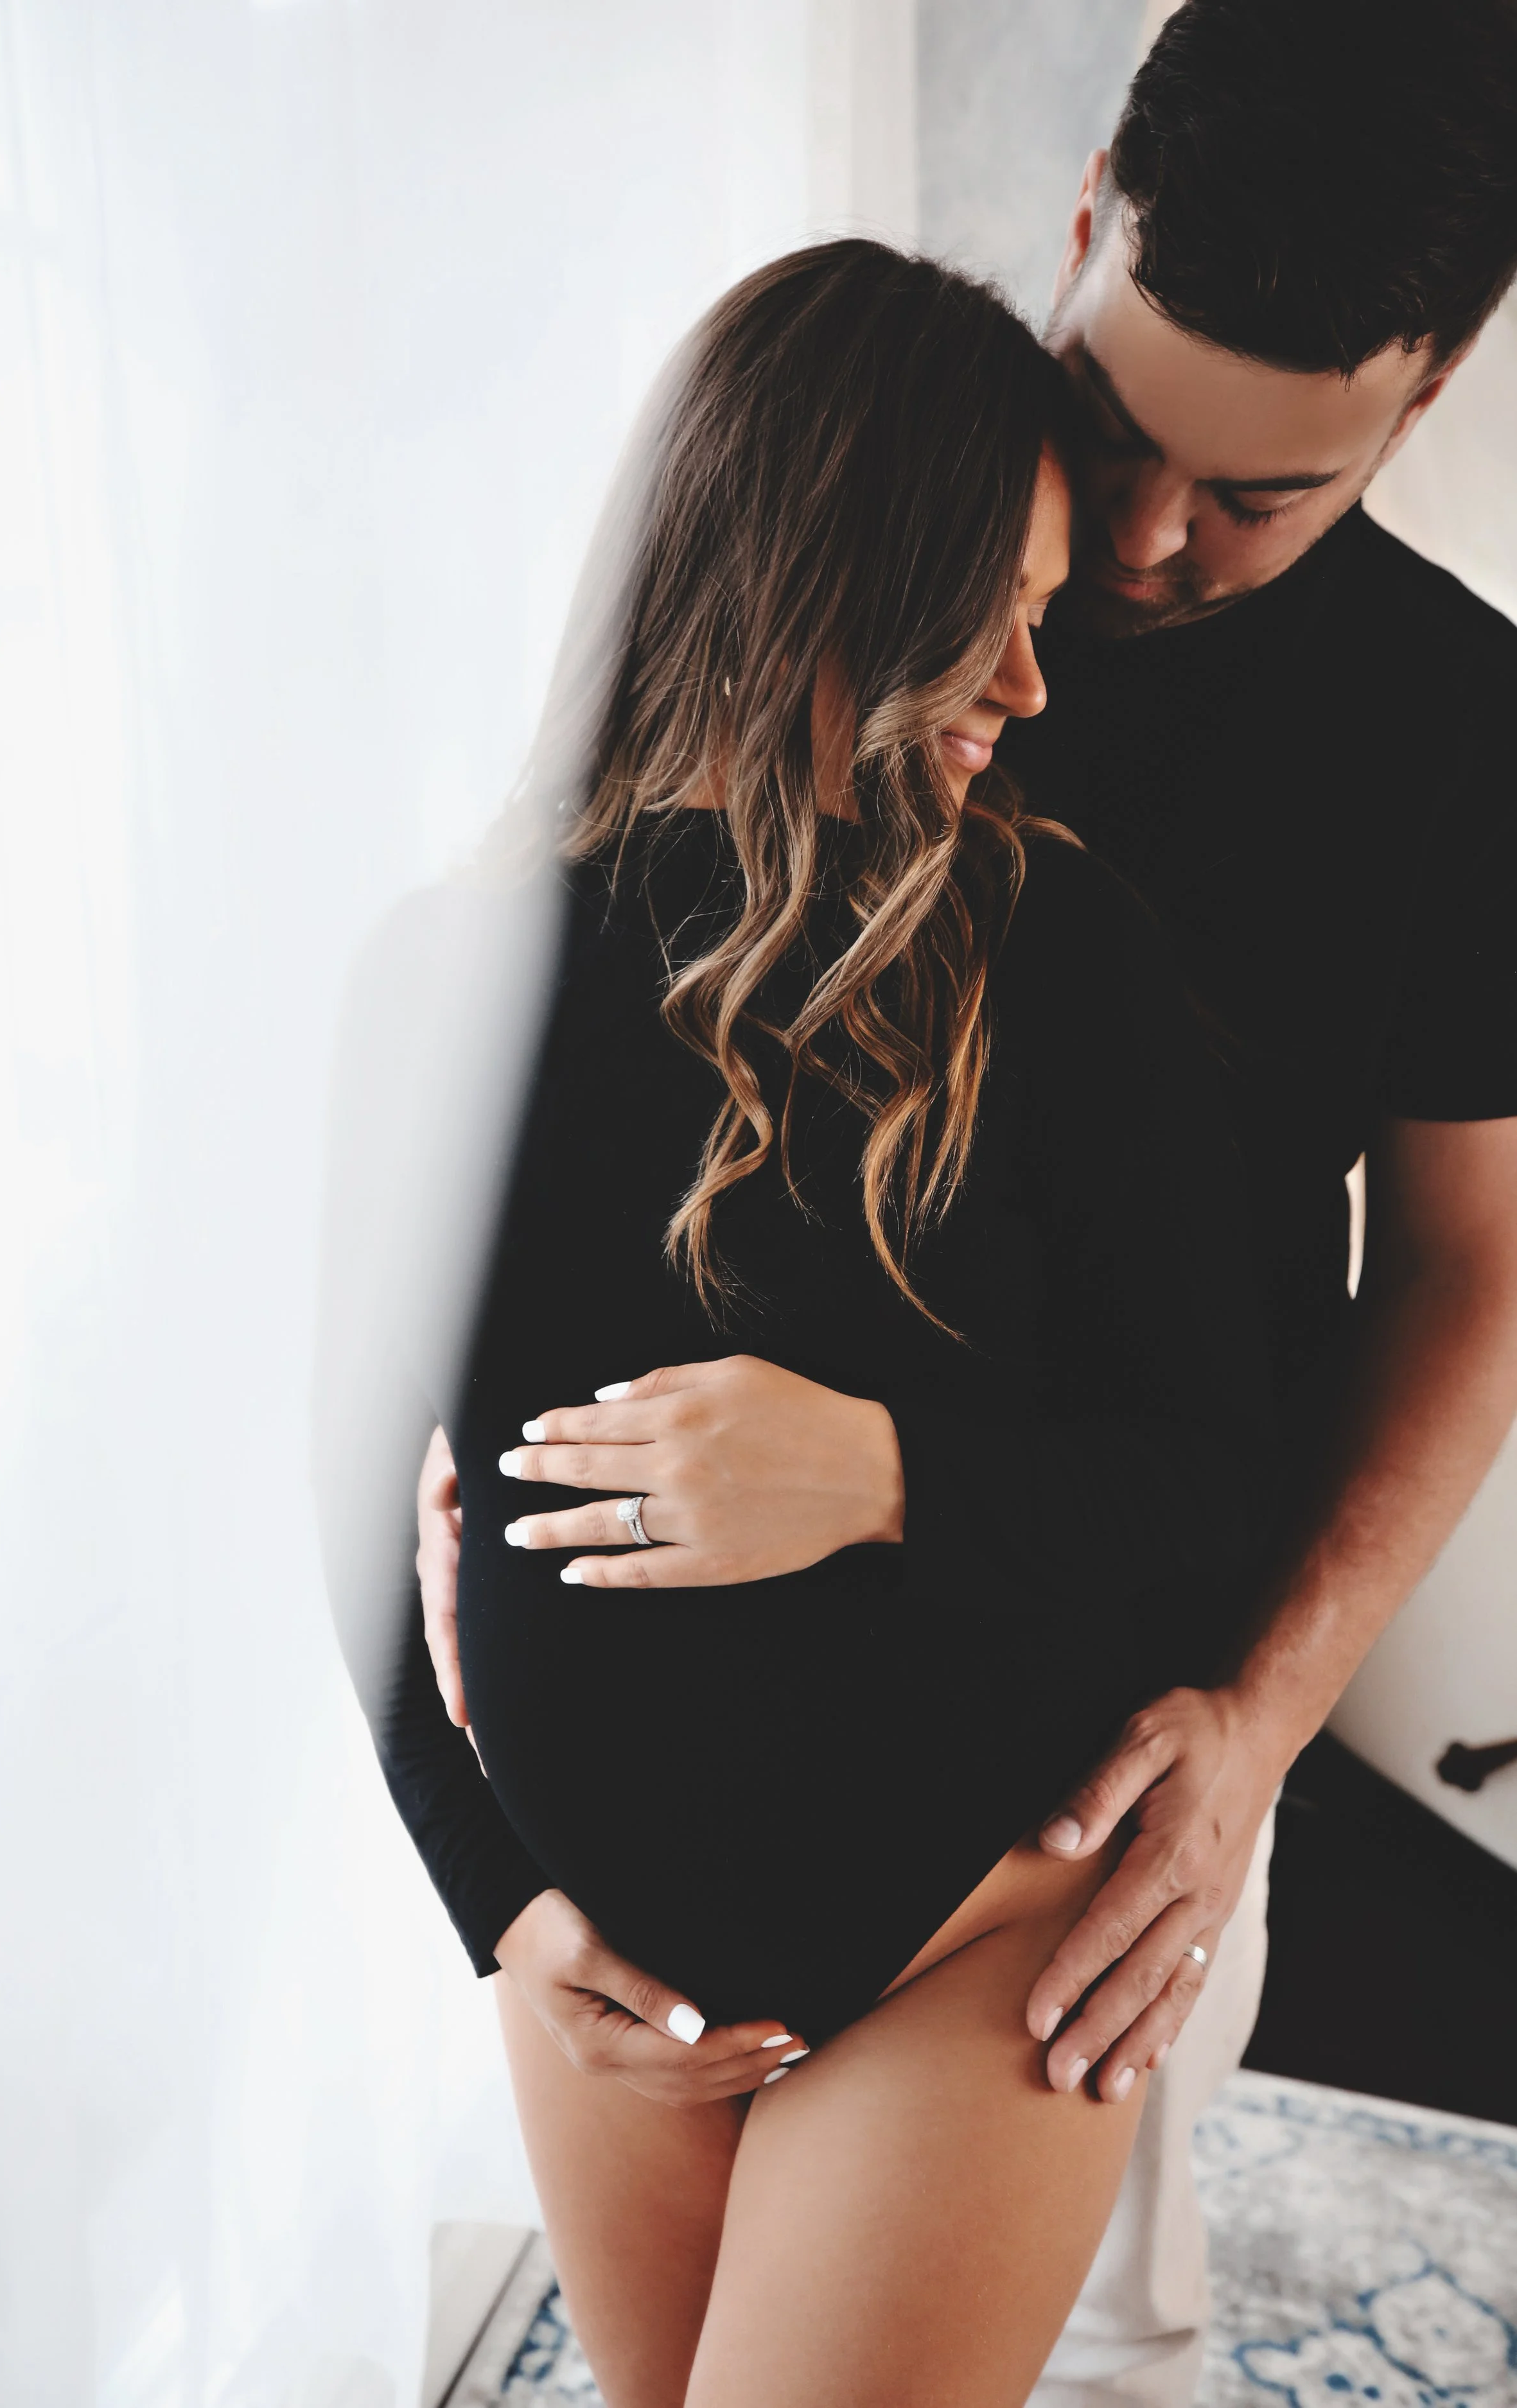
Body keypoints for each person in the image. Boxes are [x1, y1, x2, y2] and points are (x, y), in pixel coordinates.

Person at [416, 4, 1517, 2403]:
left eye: (1253, 502)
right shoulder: (843, 535)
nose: (1132, 553)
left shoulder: (1440, 749)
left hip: (1086, 1716)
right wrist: (490, 1868)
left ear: (1416, 404)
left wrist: (1248, 1723)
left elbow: (1462, 1274)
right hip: (654, 1854)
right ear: (1088, 207)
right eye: (1114, 436)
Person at [319, 239, 1279, 2408]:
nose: (1035, 694)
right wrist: (502, 1910)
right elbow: (353, 1507)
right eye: (998, 616)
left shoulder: (1064, 961)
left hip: (970, 1929)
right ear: (825, 570)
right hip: (609, 1966)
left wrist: (885, 1472)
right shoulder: (435, 982)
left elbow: (1218, 1477)